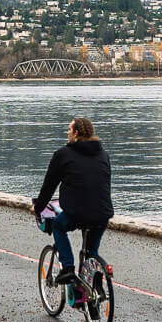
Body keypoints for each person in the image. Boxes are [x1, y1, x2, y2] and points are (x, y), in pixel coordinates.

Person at [32, 116, 113, 292]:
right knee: (91, 254)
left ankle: (68, 268)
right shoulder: (104, 155)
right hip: (102, 213)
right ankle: (94, 290)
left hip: (77, 213)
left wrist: (38, 208)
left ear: (76, 133)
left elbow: (49, 187)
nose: (67, 132)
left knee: (58, 226)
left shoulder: (63, 154)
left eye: (69, 129)